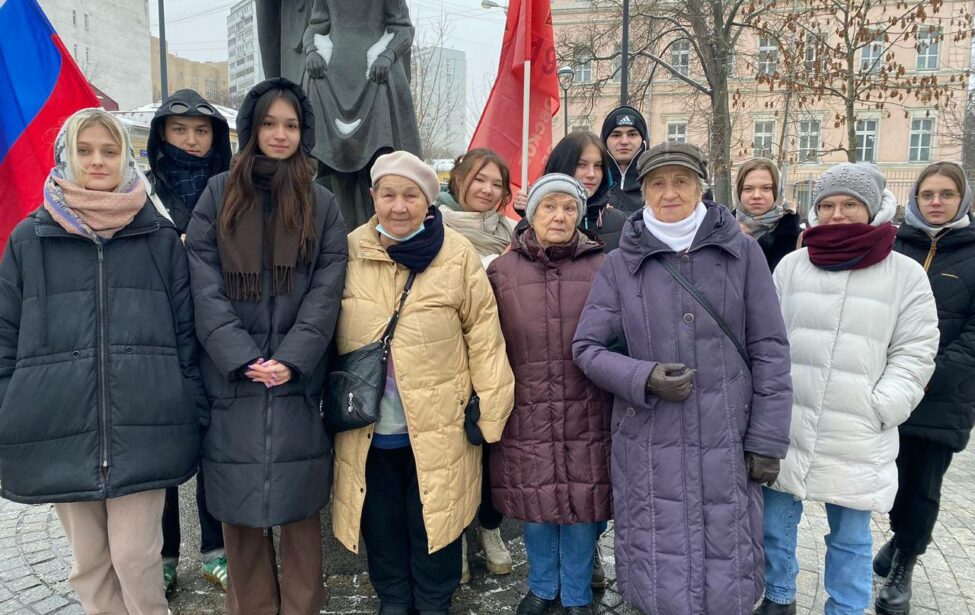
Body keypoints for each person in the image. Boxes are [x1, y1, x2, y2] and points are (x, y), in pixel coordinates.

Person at [572, 141, 793, 615]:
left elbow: (770, 350)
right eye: (657, 183)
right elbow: (586, 348)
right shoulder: (620, 263)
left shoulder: (743, 253)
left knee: (727, 569)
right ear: (644, 190)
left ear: (700, 188)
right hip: (650, 443)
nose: (669, 193)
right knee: (659, 569)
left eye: (681, 181)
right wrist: (643, 376)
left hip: (727, 440)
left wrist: (768, 439)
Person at [0, 108, 205, 614]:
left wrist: (189, 403)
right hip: (59, 424)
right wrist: (10, 406)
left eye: (109, 151)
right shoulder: (29, 239)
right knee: (89, 564)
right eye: (84, 150)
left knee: (136, 558)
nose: (97, 161)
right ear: (65, 157)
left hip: (145, 424)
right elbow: (5, 335)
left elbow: (187, 335)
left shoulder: (159, 239)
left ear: (125, 159)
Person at [185, 77, 348, 615]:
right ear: (251, 128)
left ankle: (302, 608)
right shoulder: (219, 194)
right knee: (238, 515)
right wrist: (241, 357)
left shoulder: (321, 203)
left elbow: (327, 289)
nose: (280, 134)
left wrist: (293, 359)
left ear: (304, 132)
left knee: (301, 513)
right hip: (232, 380)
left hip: (298, 382)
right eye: (270, 123)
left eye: (291, 125)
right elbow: (203, 283)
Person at [331, 150, 515, 615]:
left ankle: (434, 602)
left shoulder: (456, 254)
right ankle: (394, 600)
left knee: (436, 520)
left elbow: (484, 335)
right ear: (373, 196)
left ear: (429, 201)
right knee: (381, 521)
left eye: (411, 195)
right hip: (368, 425)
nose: (398, 206)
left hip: (439, 424)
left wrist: (491, 411)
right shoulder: (349, 250)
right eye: (388, 195)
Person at [758, 162, 939, 615]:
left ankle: (846, 607)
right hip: (790, 420)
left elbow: (916, 350)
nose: (837, 214)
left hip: (858, 426)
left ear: (873, 208)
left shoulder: (904, 274)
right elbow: (765, 337)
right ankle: (778, 598)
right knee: (774, 526)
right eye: (828, 205)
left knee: (851, 538)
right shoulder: (793, 266)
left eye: (850, 204)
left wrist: (883, 405)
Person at [487, 174, 612, 615]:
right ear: (531, 212)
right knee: (535, 503)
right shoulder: (501, 271)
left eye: (568, 208)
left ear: (580, 215)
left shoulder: (604, 267)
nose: (559, 216)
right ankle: (542, 587)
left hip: (588, 407)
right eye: (549, 206)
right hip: (526, 406)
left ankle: (576, 594)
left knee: (583, 504)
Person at [877, 161, 975, 614]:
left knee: (924, 483)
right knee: (895, 476)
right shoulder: (895, 245)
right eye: (928, 194)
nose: (936, 202)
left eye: (946, 194)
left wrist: (928, 373)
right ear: (915, 198)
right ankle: (901, 538)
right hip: (891, 384)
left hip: (943, 393)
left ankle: (905, 563)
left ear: (962, 199)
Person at [145, 87, 231, 594]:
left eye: (201, 131)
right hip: (160, 334)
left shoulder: (230, 190)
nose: (192, 140)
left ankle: (217, 548)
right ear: (162, 135)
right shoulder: (143, 194)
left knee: (214, 447)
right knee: (162, 448)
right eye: (180, 130)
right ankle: (163, 553)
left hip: (216, 332)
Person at [434, 147, 516, 581]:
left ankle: (489, 528)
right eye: (478, 179)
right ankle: (458, 538)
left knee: (493, 447)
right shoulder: (434, 227)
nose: (487, 189)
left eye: (496, 183)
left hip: (500, 354)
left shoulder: (513, 234)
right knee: (453, 453)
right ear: (458, 178)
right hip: (448, 358)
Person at [544, 132, 627, 252]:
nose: (591, 174)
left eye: (598, 166)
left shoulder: (619, 222)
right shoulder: (532, 224)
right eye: (581, 165)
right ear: (562, 165)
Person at [734, 157, 801, 272]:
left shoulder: (798, 239)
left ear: (777, 192)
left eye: (766, 188)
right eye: (748, 189)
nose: (756, 195)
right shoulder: (720, 234)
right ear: (738, 192)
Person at [599, 105, 648, 213]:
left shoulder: (655, 183)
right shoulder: (593, 184)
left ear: (643, 140)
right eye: (616, 135)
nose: (624, 141)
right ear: (604, 141)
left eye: (632, 134)